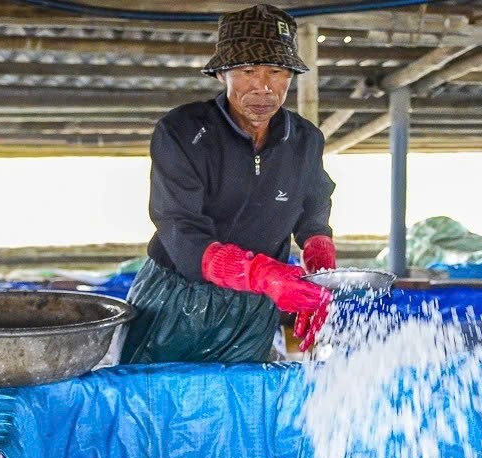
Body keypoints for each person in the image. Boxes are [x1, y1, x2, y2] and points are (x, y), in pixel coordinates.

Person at [121, 3, 336, 364]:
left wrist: (318, 248)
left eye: (277, 71)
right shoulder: (182, 132)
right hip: (176, 300)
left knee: (241, 405)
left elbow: (313, 202)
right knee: (154, 403)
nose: (263, 87)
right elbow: (179, 226)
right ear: (223, 74)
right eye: (248, 70)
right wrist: (259, 273)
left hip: (253, 307)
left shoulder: (305, 139)